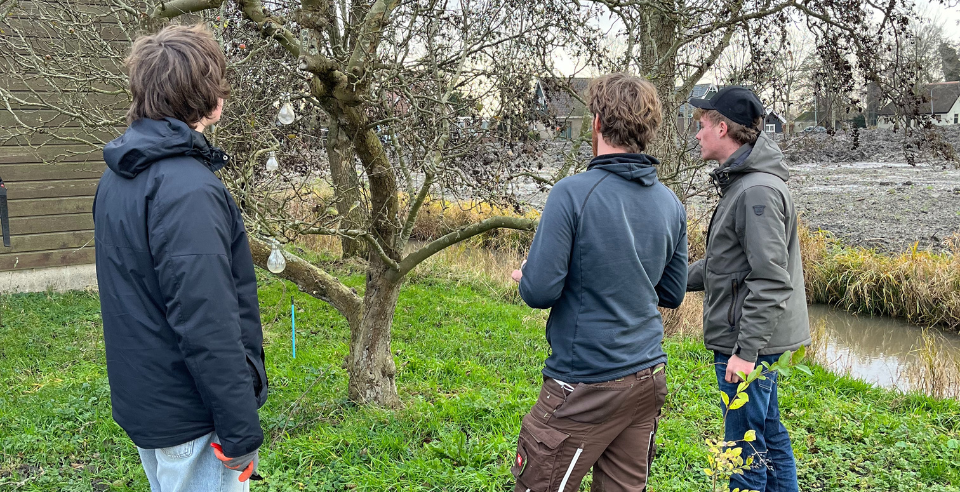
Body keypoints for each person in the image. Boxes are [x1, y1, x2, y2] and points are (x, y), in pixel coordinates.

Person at [93, 24, 267, 491]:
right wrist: (239, 430)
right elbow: (206, 320)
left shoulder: (119, 177)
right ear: (209, 98)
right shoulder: (187, 189)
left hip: (150, 403)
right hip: (192, 418)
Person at [509, 73, 687, 492]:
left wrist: (525, 275)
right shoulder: (671, 204)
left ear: (596, 122)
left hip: (585, 382)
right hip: (646, 376)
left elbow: (539, 291)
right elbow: (672, 292)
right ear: (648, 131)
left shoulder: (571, 194)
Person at [686, 86, 811, 492]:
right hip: (754, 341)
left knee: (743, 448)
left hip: (749, 343)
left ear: (723, 128)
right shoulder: (744, 184)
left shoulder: (756, 191)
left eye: (702, 125)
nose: (697, 134)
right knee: (768, 434)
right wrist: (662, 281)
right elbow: (726, 267)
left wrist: (745, 353)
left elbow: (772, 280)